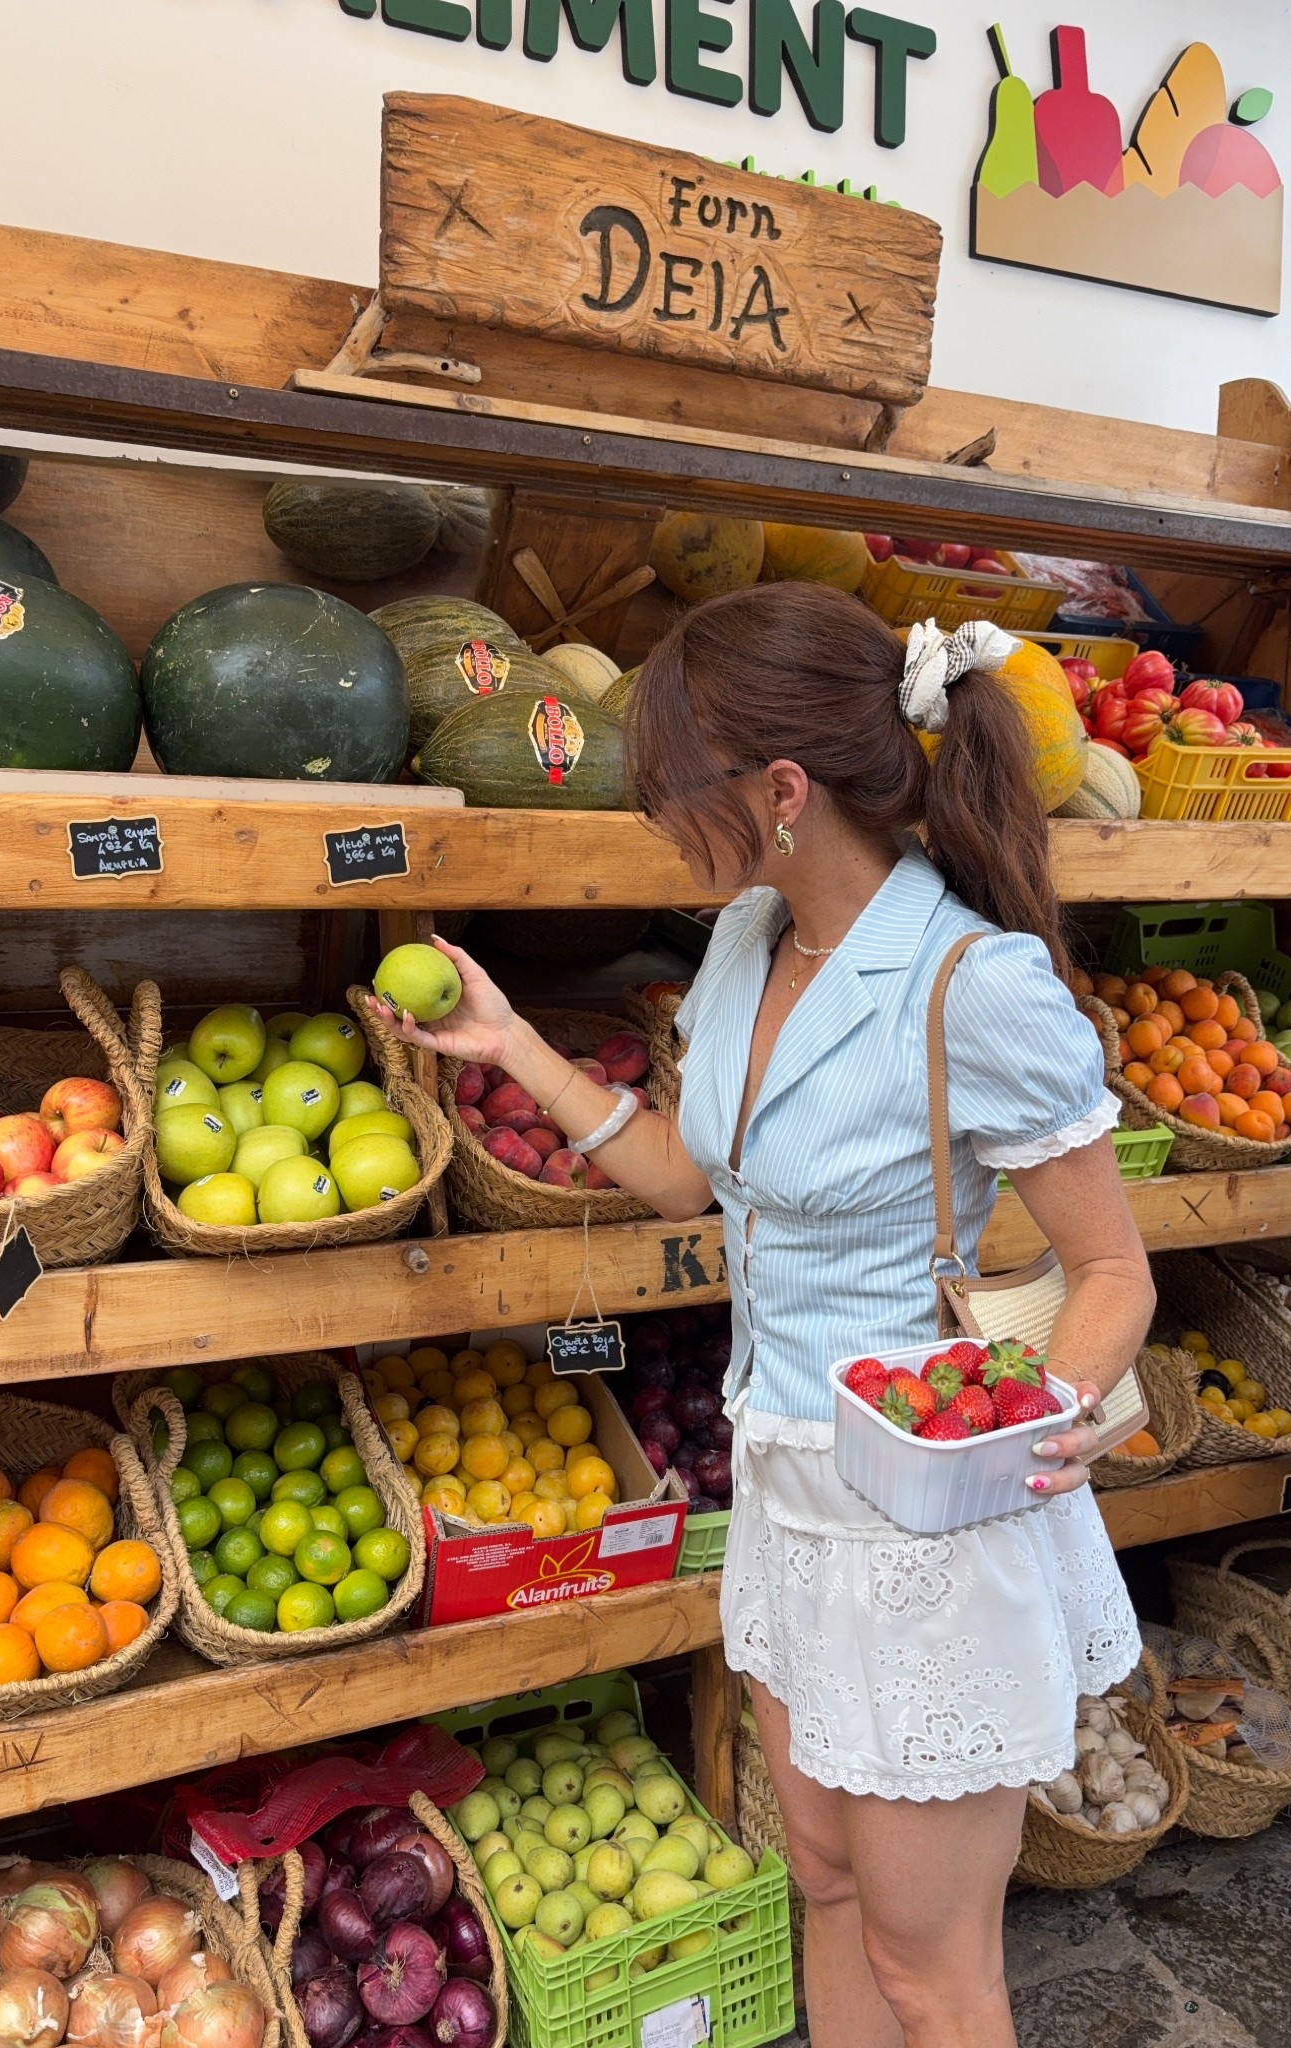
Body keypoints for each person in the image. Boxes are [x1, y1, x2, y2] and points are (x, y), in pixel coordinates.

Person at [394, 583, 1154, 2048]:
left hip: (925, 1528)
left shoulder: (971, 985)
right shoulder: (749, 937)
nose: (657, 827)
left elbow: (1116, 1272)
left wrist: (1043, 1418)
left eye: (672, 794)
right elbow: (694, 1179)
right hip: (785, 1497)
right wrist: (513, 1045)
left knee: (935, 1969)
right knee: (823, 1883)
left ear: (783, 792)